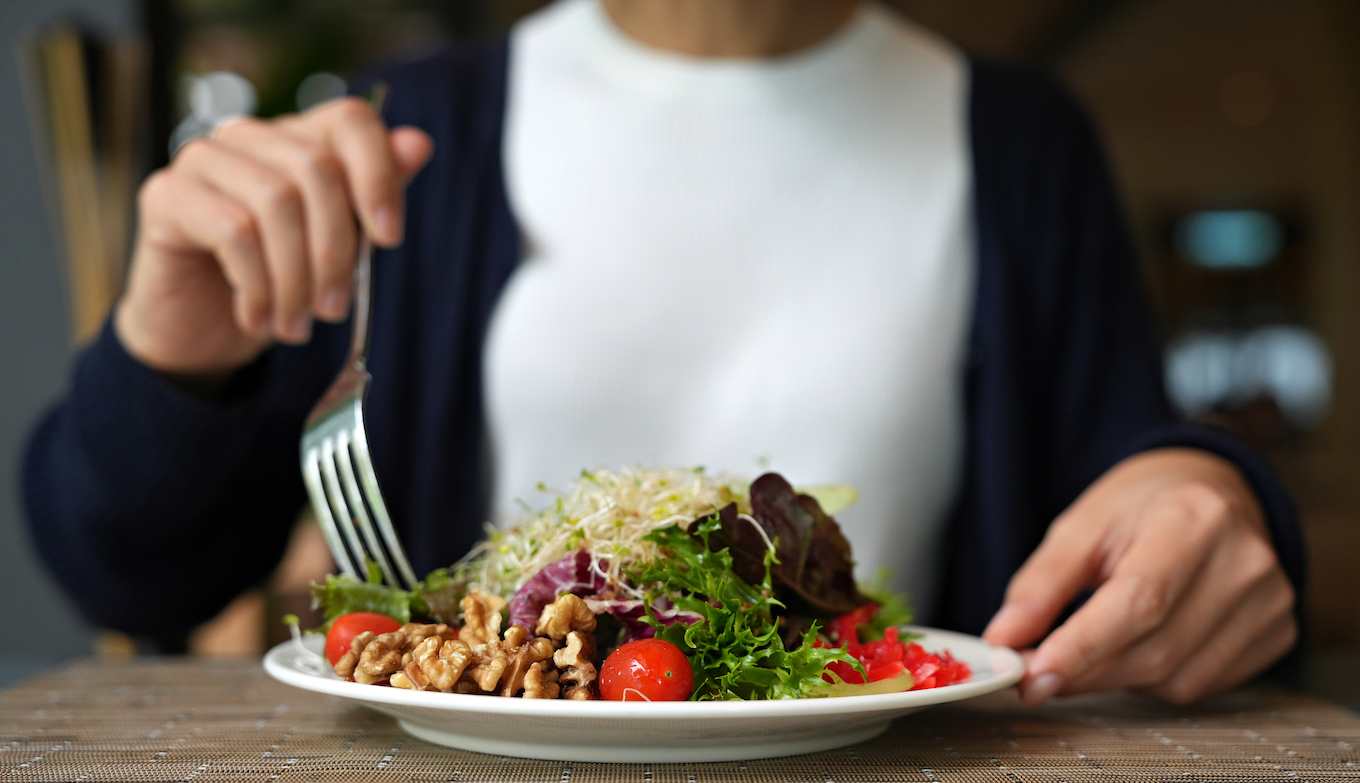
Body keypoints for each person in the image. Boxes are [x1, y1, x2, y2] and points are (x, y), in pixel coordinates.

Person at [22, 0, 1302, 706]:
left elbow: (1132, 496)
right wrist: (170, 357)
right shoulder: (419, 130)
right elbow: (126, 567)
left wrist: (1210, 490)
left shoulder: (1021, 144)